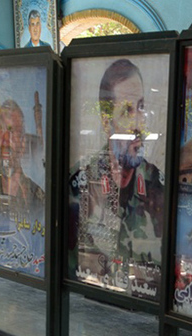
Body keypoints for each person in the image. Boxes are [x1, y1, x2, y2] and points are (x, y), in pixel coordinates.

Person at [68, 58, 164, 291]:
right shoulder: (80, 186)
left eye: (141, 107)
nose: (138, 123)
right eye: (127, 111)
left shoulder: (157, 186)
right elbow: (70, 271)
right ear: (106, 122)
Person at [0, 99, 44, 236]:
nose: (4, 140)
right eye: (1, 130)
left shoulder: (37, 198)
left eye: (11, 131)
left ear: (22, 144)